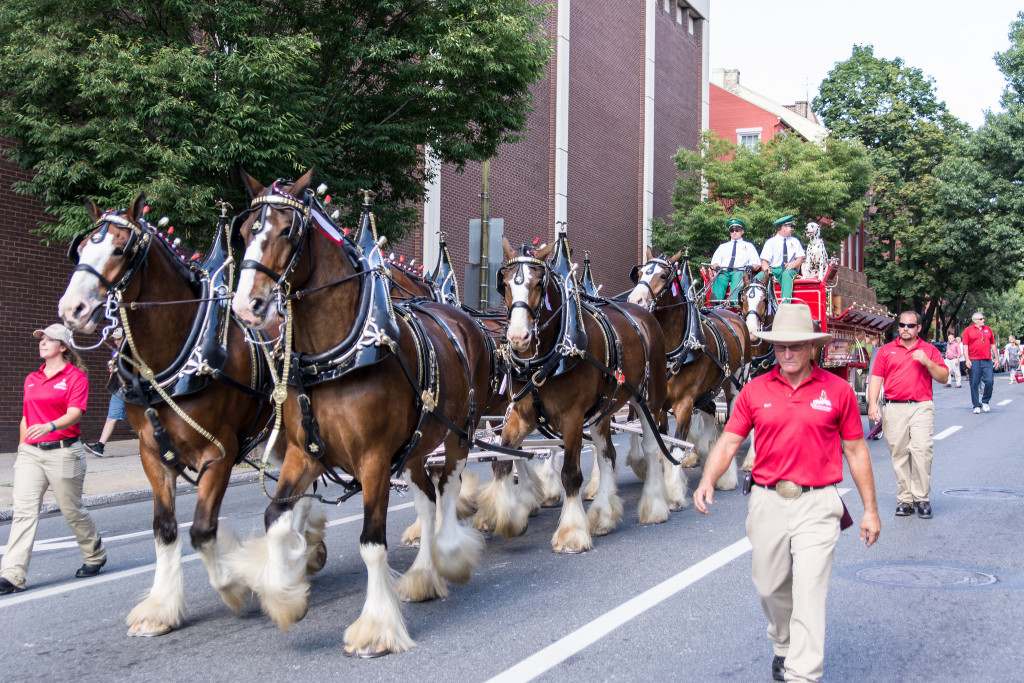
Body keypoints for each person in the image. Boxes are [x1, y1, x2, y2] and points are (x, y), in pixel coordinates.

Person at [694, 303, 880, 683]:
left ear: (812, 347)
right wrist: (707, 480)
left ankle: (802, 672)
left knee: (810, 592)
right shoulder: (754, 390)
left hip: (818, 503)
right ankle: (783, 643)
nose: (788, 353)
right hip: (767, 501)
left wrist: (870, 510)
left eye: (796, 346)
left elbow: (857, 451)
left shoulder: (838, 391)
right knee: (769, 585)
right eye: (780, 347)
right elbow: (730, 441)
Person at [0, 324, 107, 595]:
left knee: (72, 511)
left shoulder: (75, 377)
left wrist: (49, 426)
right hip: (31, 454)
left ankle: (94, 554)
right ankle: (12, 574)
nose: (43, 343)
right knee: (23, 513)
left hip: (64, 452)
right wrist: (22, 449)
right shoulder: (32, 378)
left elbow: (75, 413)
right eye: (41, 339)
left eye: (49, 339)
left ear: (63, 347)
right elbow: (26, 418)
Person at [868, 311, 948, 520]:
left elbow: (944, 377)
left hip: (921, 405)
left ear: (918, 328)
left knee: (922, 450)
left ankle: (922, 498)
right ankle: (905, 499)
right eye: (902, 325)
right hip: (894, 407)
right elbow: (876, 378)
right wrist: (872, 403)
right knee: (899, 454)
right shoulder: (886, 351)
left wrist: (927, 362)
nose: (905, 329)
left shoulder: (929, 350)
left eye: (910, 326)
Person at [85, 328, 125, 457]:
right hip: (118, 389)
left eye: (119, 338)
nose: (116, 341)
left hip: (133, 389)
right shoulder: (115, 353)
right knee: (111, 418)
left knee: (143, 417)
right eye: (115, 339)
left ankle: (150, 447)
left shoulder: (132, 352)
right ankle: (100, 447)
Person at [710, 217, 760, 302]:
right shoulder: (723, 247)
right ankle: (715, 304)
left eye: (737, 230)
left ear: (742, 231)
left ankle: (734, 303)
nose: (734, 232)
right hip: (724, 271)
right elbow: (714, 262)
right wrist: (717, 267)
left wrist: (751, 267)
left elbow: (757, 264)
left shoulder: (749, 246)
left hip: (739, 271)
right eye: (732, 231)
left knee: (738, 275)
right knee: (719, 277)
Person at [759, 215, 805, 303]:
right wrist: (769, 274)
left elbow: (800, 259)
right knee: (757, 278)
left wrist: (792, 265)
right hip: (774, 270)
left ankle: (785, 306)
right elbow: (764, 262)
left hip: (790, 270)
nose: (792, 229)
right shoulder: (770, 242)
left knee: (786, 275)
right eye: (791, 226)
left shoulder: (795, 241)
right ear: (783, 227)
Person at [962, 312, 1000, 413]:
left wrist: (997, 358)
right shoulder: (968, 330)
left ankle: (985, 401)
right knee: (974, 383)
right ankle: (976, 405)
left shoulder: (987, 329)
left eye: (983, 318)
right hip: (974, 360)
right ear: (975, 321)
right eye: (981, 319)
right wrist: (967, 359)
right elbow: (965, 346)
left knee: (989, 381)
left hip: (987, 359)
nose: (983, 320)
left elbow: (993, 344)